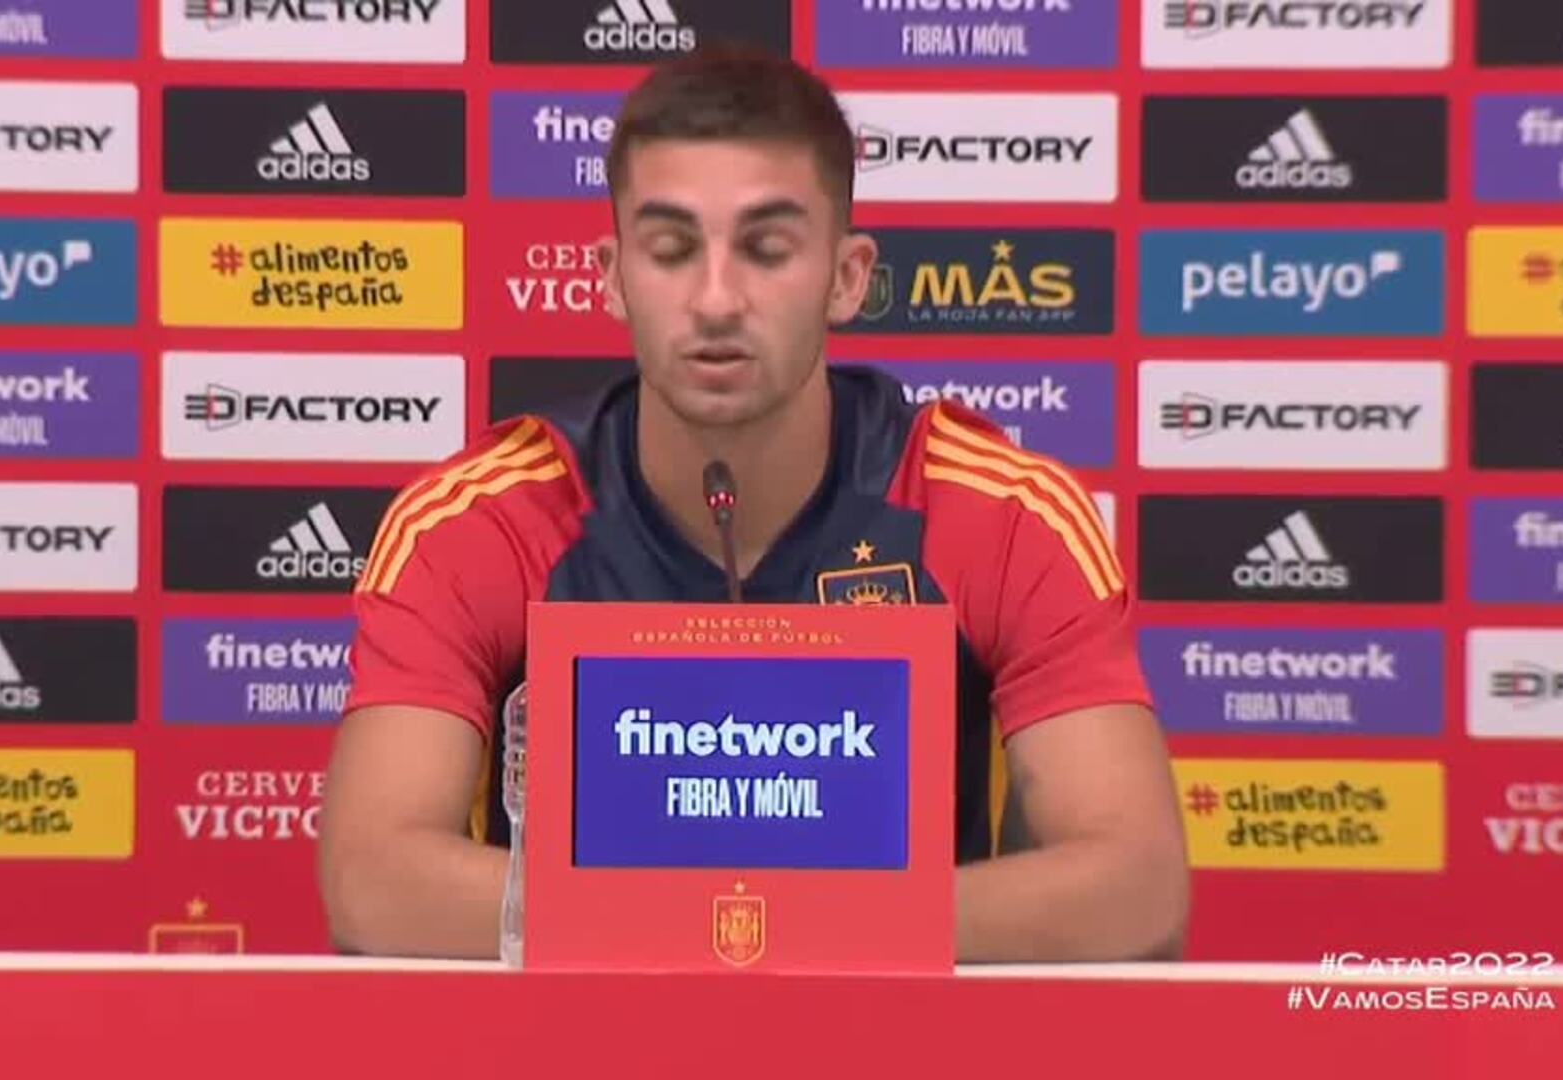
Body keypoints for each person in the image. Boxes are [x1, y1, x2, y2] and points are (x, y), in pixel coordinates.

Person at [319, 43, 1189, 964]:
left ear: (847, 277)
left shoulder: (996, 512)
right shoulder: (483, 521)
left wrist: (760, 926)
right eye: (671, 250)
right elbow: (374, 882)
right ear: (612, 276)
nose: (717, 299)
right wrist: (734, 925)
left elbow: (1135, 889)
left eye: (767, 250)